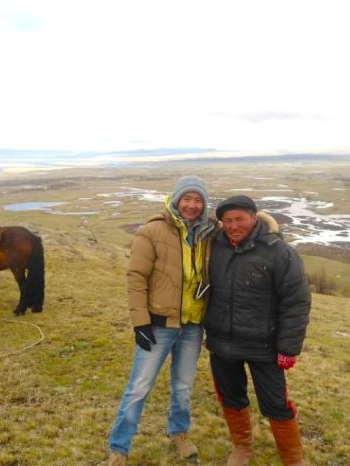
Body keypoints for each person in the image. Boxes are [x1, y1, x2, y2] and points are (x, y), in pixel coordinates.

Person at [108, 175, 218, 466]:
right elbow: (136, 277)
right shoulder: (153, 230)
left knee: (183, 387)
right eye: (187, 199)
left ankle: (179, 434)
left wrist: (267, 226)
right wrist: (140, 322)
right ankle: (119, 449)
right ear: (176, 200)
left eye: (198, 200)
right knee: (138, 388)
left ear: (204, 204)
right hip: (158, 325)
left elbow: (243, 227)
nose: (192, 205)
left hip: (193, 326)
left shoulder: (209, 233)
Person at [203, 195, 311, 466]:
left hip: (264, 346)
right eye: (227, 220)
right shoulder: (213, 247)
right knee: (231, 398)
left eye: (239, 219)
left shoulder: (279, 252)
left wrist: (288, 348)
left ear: (254, 217)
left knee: (276, 404)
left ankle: (293, 458)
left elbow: (296, 302)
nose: (233, 225)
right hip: (222, 343)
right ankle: (241, 448)